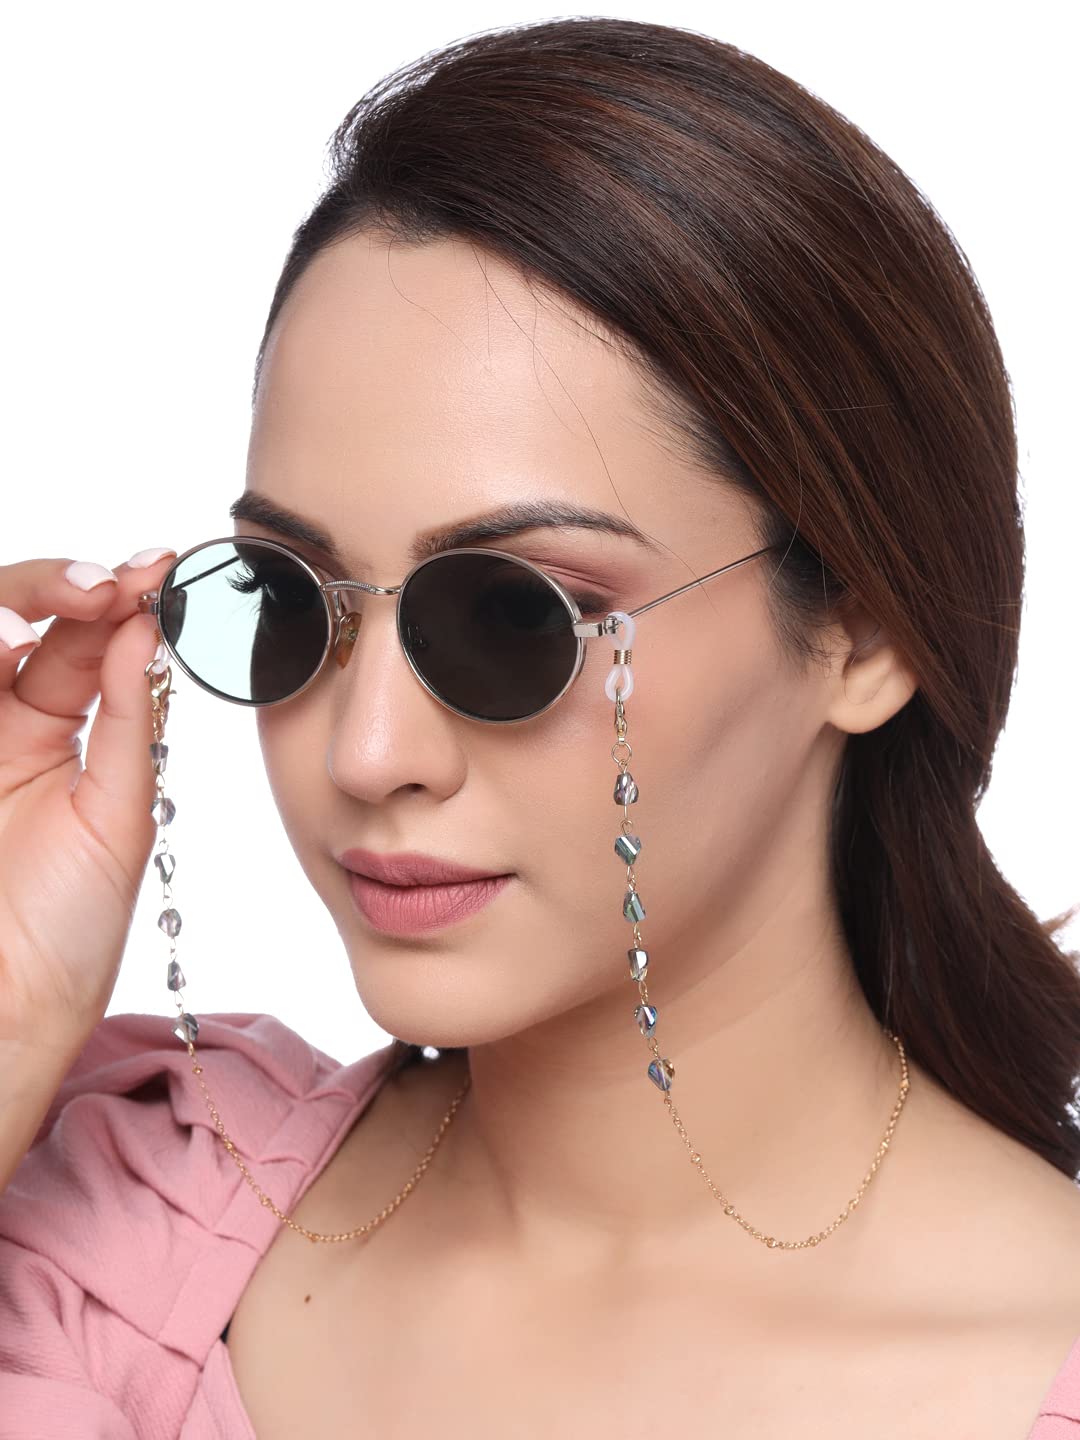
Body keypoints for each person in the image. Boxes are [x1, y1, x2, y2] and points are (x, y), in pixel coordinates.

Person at [1, 16, 1078, 1439]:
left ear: (863, 632)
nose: (368, 753)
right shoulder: (104, 1230)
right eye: (293, 597)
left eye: (516, 617)